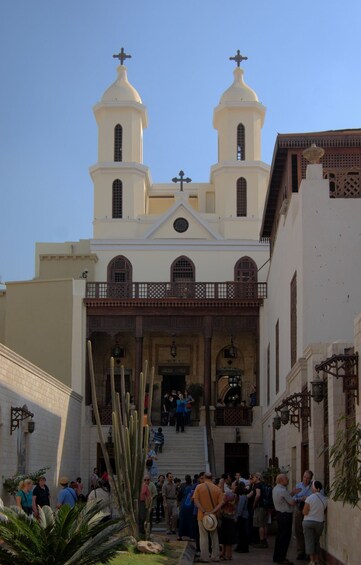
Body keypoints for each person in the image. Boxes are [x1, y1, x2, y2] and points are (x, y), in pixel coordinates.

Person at [193, 471, 224, 563]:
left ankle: (205, 557)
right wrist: (213, 511)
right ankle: (215, 556)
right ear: (212, 478)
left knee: (203, 536)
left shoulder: (199, 487)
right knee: (214, 536)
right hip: (213, 517)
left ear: (204, 477)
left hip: (202, 516)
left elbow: (196, 501)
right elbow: (221, 503)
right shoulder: (217, 489)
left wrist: (203, 511)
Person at [272, 473, 296, 565]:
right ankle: (282, 558)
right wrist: (299, 498)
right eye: (286, 479)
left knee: (279, 537)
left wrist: (292, 493)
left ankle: (277, 556)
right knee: (285, 537)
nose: (288, 480)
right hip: (285, 516)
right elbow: (292, 502)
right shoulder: (283, 490)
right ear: (281, 480)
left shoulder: (275, 489)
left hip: (279, 515)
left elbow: (284, 498)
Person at [302, 480, 328, 565]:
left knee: (309, 541)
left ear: (315, 488)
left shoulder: (310, 498)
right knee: (316, 541)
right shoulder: (325, 499)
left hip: (308, 522)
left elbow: (305, 512)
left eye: (312, 487)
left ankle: (312, 561)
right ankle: (317, 560)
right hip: (319, 523)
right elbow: (324, 511)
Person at [292, 470, 314, 560]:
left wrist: (308, 498)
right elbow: (293, 497)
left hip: (309, 510)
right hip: (299, 508)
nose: (305, 479)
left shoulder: (313, 486)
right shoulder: (298, 486)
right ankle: (300, 551)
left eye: (308, 478)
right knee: (298, 530)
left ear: (310, 479)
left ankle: (309, 553)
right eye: (304, 477)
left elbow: (318, 495)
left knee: (308, 531)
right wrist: (300, 498)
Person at [218, 489, 238, 560]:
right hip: (229, 519)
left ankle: (228, 555)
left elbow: (221, 505)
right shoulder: (233, 500)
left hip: (227, 519)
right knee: (225, 538)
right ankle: (224, 553)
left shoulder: (227, 501)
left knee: (227, 538)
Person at [251, 472, 268, 548]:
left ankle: (261, 541)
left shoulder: (257, 485)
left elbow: (258, 495)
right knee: (264, 524)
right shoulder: (264, 484)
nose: (252, 479)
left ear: (258, 478)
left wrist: (254, 504)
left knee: (260, 525)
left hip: (259, 506)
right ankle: (265, 540)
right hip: (265, 506)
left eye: (254, 477)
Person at [177, 474, 194, 541]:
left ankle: (180, 536)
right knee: (191, 521)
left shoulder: (182, 486)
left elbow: (179, 496)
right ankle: (191, 536)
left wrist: (179, 502)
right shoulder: (193, 486)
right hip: (191, 506)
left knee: (182, 521)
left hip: (183, 505)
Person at [235, 482, 249, 553]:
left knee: (242, 533)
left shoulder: (242, 497)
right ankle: (241, 546)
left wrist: (237, 516)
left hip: (242, 516)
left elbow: (240, 508)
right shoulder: (244, 496)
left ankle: (243, 547)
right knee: (242, 533)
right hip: (244, 516)